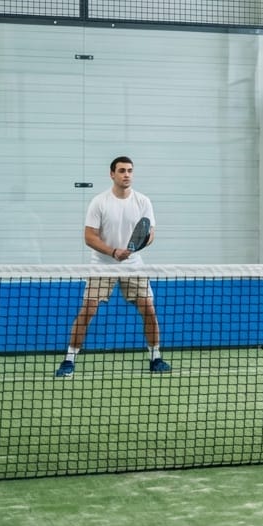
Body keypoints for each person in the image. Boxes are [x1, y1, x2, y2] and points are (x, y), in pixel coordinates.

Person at [54, 156, 170, 377]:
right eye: (122, 170)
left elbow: (150, 233)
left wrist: (134, 249)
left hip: (133, 265)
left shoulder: (143, 201)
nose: (127, 174)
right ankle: (69, 360)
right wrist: (113, 252)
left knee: (149, 309)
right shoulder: (100, 201)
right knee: (88, 310)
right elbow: (89, 236)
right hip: (102, 265)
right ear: (112, 174)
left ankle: (156, 357)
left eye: (130, 171)